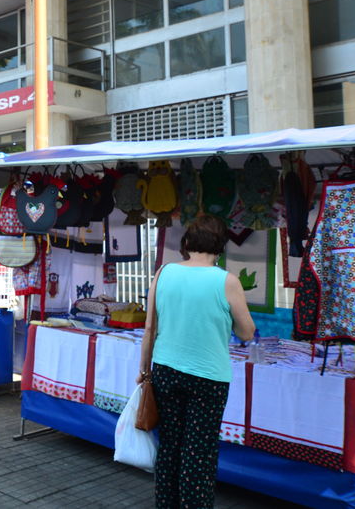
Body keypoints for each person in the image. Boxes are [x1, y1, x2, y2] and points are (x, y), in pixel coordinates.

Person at [137, 214, 255, 508]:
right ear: (221, 246)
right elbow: (247, 331)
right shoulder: (227, 281)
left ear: (187, 242)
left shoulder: (163, 273)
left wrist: (144, 372)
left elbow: (150, 328)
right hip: (208, 378)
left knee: (169, 447)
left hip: (165, 371)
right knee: (198, 455)